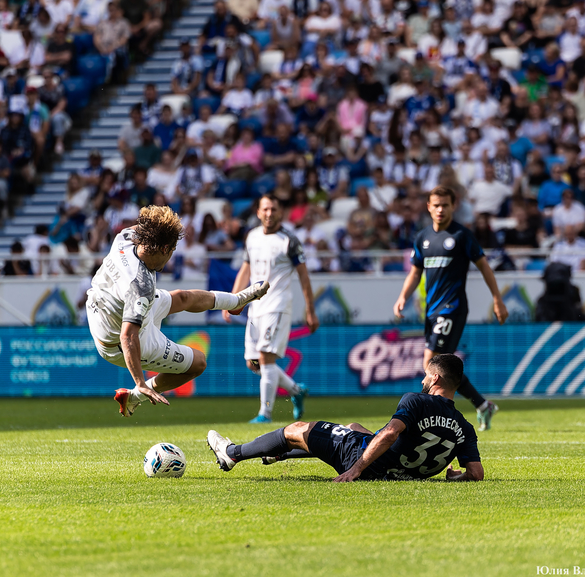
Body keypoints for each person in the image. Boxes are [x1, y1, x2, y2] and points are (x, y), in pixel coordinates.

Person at [88, 205, 271, 417]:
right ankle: (134, 396)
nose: (170, 258)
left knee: (183, 297)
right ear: (164, 248)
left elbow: (151, 226)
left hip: (106, 305)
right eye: (172, 251)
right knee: (198, 362)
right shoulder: (141, 287)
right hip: (117, 342)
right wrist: (141, 383)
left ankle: (236, 301)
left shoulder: (127, 236)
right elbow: (128, 336)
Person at [207, 353, 484, 482]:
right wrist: (456, 478)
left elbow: (389, 434)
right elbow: (475, 473)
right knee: (352, 428)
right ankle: (280, 455)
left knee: (298, 429)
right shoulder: (465, 426)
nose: (423, 378)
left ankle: (232, 454)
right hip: (399, 474)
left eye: (427, 374)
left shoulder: (417, 400)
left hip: (365, 463)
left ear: (435, 377)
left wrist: (356, 469)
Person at [393, 186, 508, 431]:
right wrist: (403, 296)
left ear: (453, 206)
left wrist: (497, 299)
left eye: (445, 204)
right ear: (428, 206)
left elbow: (485, 267)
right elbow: (415, 272)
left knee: (430, 363)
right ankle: (482, 405)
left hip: (452, 308)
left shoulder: (462, 236)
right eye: (436, 205)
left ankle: (429, 414)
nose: (440, 209)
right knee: (441, 367)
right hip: (432, 310)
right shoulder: (423, 238)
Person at [224, 194, 319, 423]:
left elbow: (304, 277)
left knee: (266, 358)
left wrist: (310, 309)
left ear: (281, 213)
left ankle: (264, 414)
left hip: (277, 305)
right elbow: (245, 271)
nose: (269, 214)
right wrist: (232, 301)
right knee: (253, 363)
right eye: (265, 209)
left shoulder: (289, 240)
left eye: (274, 209)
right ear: (258, 212)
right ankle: (296, 390)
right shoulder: (252, 237)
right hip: (255, 308)